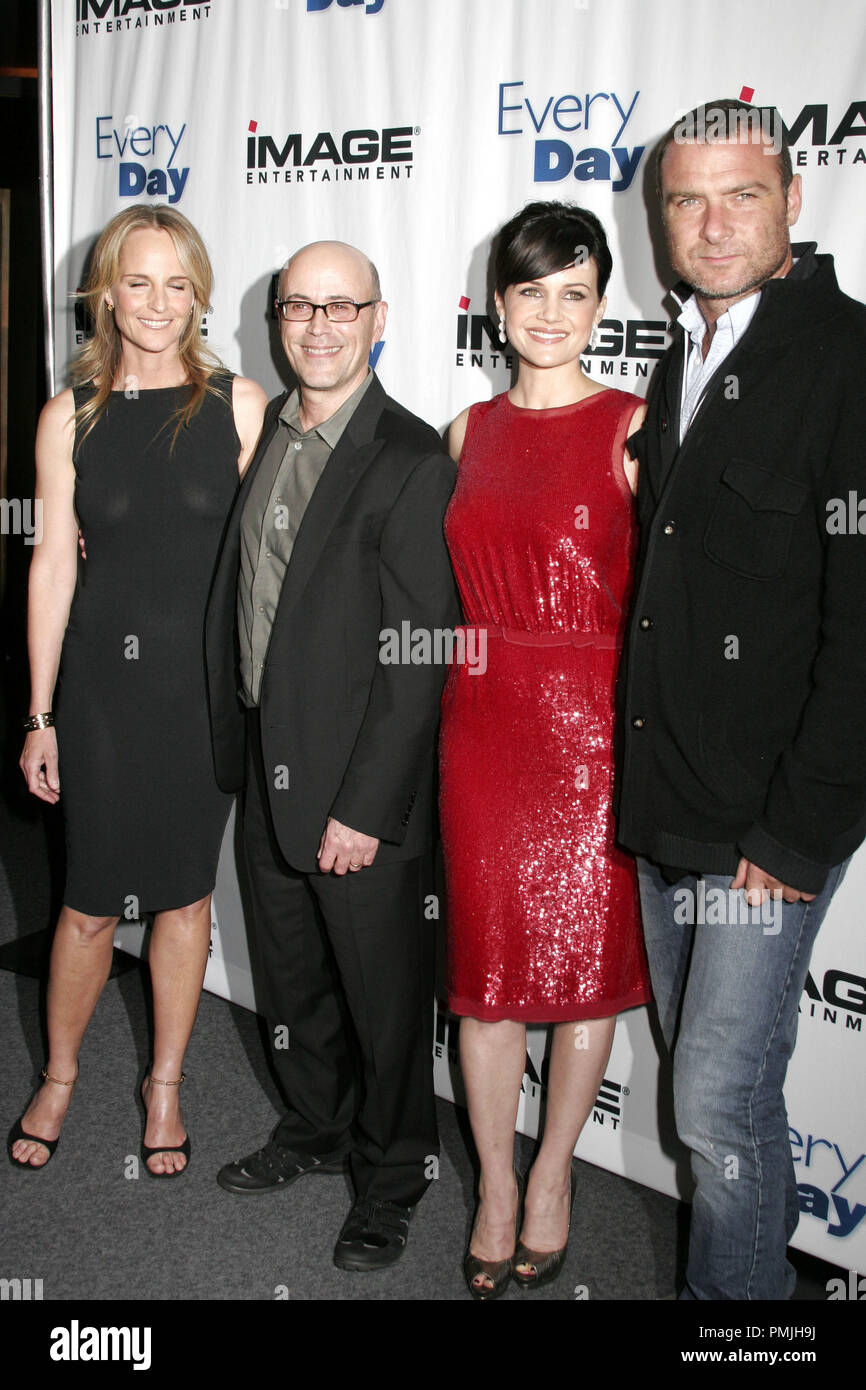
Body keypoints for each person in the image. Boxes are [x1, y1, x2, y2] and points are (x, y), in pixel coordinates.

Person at [616, 98, 866, 1299]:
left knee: (713, 1103)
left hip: (763, 828)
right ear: (659, 218)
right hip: (666, 806)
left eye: (740, 195)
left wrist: (793, 834)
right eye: (684, 200)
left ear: (791, 203)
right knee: (713, 1094)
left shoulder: (847, 359)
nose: (711, 224)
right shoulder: (683, 353)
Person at [205, 240, 459, 1271]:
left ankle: (393, 1177)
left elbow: (417, 657)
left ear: (378, 316)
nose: (318, 325)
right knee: (293, 980)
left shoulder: (407, 458)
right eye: (298, 307)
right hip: (267, 762)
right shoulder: (271, 426)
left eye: (339, 306)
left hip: (356, 790)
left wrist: (364, 808)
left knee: (383, 1001)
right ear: (276, 320)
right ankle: (312, 1128)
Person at [11, 204, 266, 1177]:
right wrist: (39, 713)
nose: (157, 302)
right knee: (84, 904)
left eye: (177, 282)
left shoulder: (238, 405)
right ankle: (62, 1074)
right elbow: (50, 569)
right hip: (102, 701)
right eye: (138, 281)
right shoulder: (69, 415)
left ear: (197, 293)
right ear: (106, 292)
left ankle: (164, 1082)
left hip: (201, 697)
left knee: (185, 901)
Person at [440, 201, 651, 1298]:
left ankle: (554, 1174)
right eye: (531, 292)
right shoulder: (464, 431)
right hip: (479, 725)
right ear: (499, 304)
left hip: (590, 736)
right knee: (485, 984)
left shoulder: (631, 424)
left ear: (600, 305)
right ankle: (489, 1179)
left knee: (579, 983)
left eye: (575, 293)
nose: (551, 313)